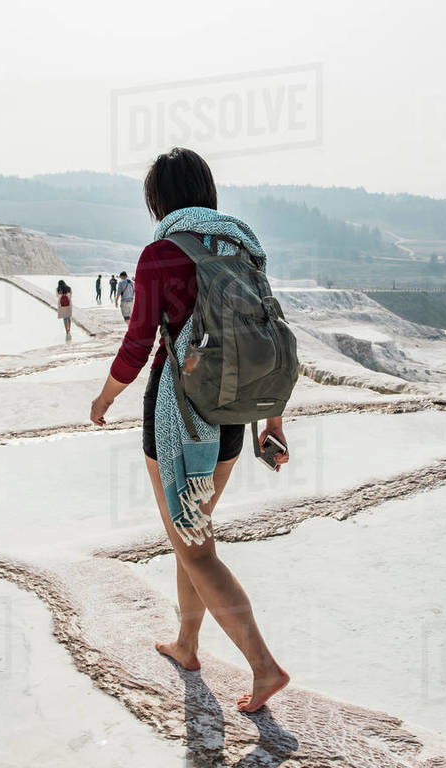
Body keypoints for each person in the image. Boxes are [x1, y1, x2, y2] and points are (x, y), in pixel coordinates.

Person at [89, 147, 289, 714]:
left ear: (158, 200)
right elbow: (267, 336)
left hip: (179, 414)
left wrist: (104, 398)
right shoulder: (243, 245)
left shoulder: (161, 252)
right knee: (191, 539)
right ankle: (187, 644)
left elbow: (136, 343)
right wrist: (272, 419)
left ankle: (264, 667)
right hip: (233, 417)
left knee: (195, 547)